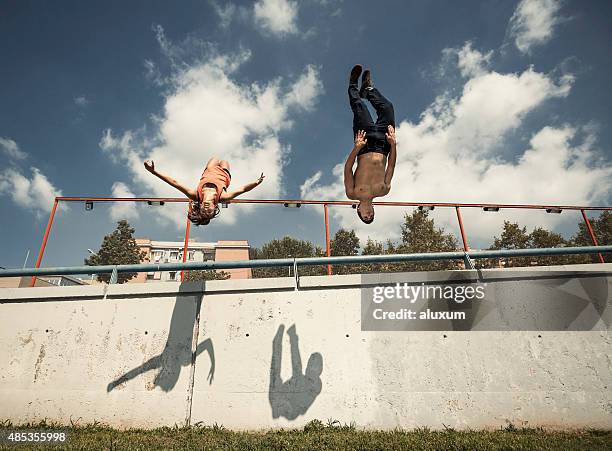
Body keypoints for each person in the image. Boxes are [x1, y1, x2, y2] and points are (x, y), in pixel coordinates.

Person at [344, 65, 397, 224]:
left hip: (364, 144)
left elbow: (348, 168)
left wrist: (357, 147)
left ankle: (353, 84)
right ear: (374, 211)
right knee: (387, 108)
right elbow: (391, 166)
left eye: (365, 216)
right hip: (384, 144)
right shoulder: (383, 191)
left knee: (360, 107)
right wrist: (393, 144)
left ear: (358, 210)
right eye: (371, 216)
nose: (369, 214)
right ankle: (367, 90)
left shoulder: (352, 193)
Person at [144, 158, 265, 225]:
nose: (206, 209)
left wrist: (153, 172)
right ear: (215, 207)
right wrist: (256, 182)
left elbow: (174, 182)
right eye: (209, 212)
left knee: (216, 155)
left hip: (209, 169)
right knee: (225, 158)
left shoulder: (195, 195)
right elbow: (243, 189)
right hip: (224, 173)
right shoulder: (223, 197)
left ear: (200, 207)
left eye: (204, 211)